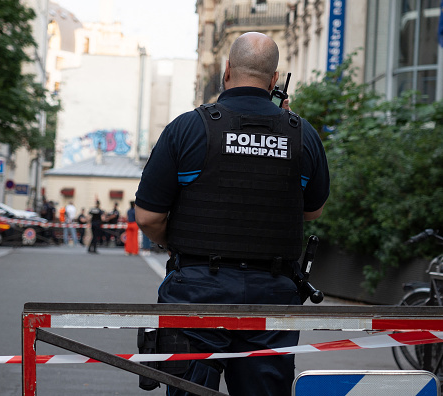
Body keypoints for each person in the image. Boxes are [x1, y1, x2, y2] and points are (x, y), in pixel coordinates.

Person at [135, 32, 330, 396]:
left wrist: (175, 243)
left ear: (227, 71)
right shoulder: (302, 135)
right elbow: (313, 211)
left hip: (196, 294)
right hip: (271, 298)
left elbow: (147, 217)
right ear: (274, 80)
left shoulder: (188, 127)